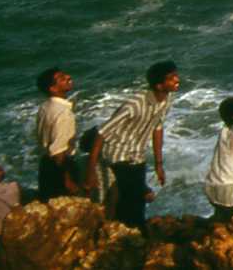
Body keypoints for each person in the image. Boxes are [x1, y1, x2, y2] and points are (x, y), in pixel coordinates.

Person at [86, 60, 179, 229]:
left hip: (136, 153)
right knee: (142, 193)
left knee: (132, 198)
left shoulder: (167, 98)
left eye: (175, 75)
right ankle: (134, 230)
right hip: (116, 152)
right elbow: (101, 133)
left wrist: (159, 165)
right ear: (159, 86)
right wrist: (90, 171)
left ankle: (128, 226)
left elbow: (157, 128)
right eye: (171, 78)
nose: (176, 79)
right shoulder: (135, 104)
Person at [33, 66, 79, 199]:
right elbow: (58, 152)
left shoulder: (45, 106)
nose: (68, 77)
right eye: (62, 78)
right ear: (53, 89)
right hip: (60, 168)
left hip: (46, 165)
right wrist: (67, 180)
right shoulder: (63, 112)